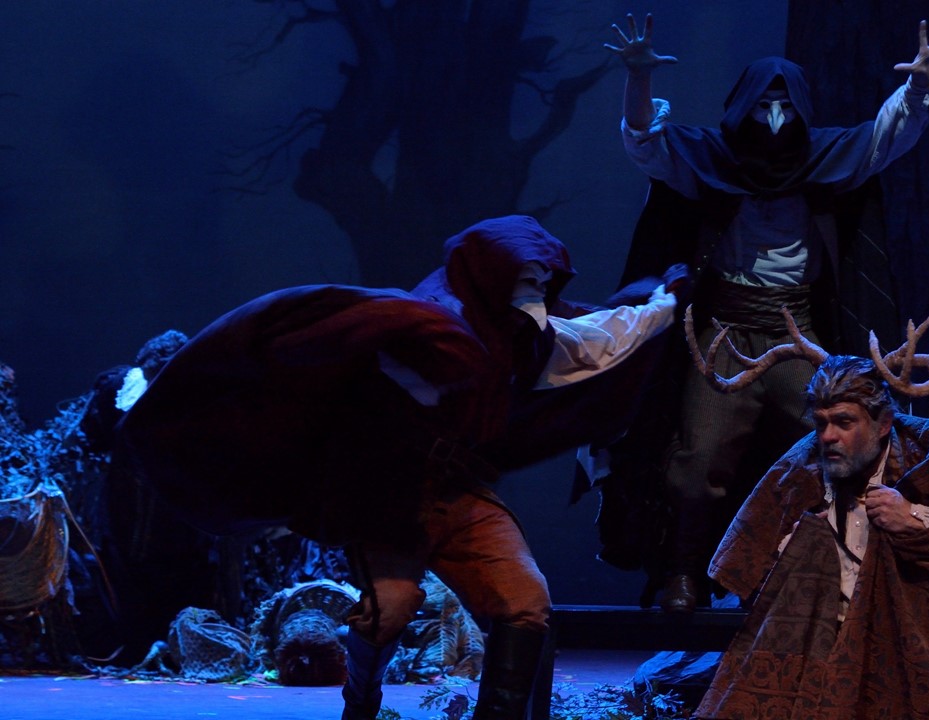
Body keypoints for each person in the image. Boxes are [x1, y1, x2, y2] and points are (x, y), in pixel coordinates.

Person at [116, 215, 684, 720]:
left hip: (459, 492)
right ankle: (361, 706)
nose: (537, 294)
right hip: (390, 501)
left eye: (543, 283)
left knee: (525, 603)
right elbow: (333, 352)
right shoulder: (427, 321)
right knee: (390, 610)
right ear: (492, 275)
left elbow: (597, 340)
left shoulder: (525, 336)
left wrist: (662, 303)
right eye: (526, 281)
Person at [602, 13, 929, 611]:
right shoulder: (710, 159)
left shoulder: (825, 157)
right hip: (724, 334)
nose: (774, 116)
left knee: (833, 451)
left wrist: (920, 83)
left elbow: (886, 135)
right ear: (744, 106)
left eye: (785, 104)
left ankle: (797, 573)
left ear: (800, 108)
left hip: (798, 334)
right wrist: (638, 79)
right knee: (698, 460)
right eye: (764, 103)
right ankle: (683, 570)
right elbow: (646, 143)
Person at [694, 336, 929, 719]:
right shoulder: (802, 464)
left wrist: (916, 518)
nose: (828, 436)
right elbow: (751, 558)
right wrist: (795, 547)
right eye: (821, 422)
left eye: (844, 422)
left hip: (925, 631)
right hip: (825, 633)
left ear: (882, 425)